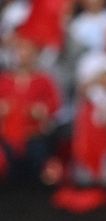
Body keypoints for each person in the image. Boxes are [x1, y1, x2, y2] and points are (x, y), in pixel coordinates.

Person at [0, 38, 61, 184]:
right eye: (19, 50)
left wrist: (42, 110)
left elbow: (54, 105)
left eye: (27, 50)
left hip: (34, 137)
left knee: (36, 178)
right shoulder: (4, 80)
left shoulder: (44, 80)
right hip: (7, 139)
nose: (23, 54)